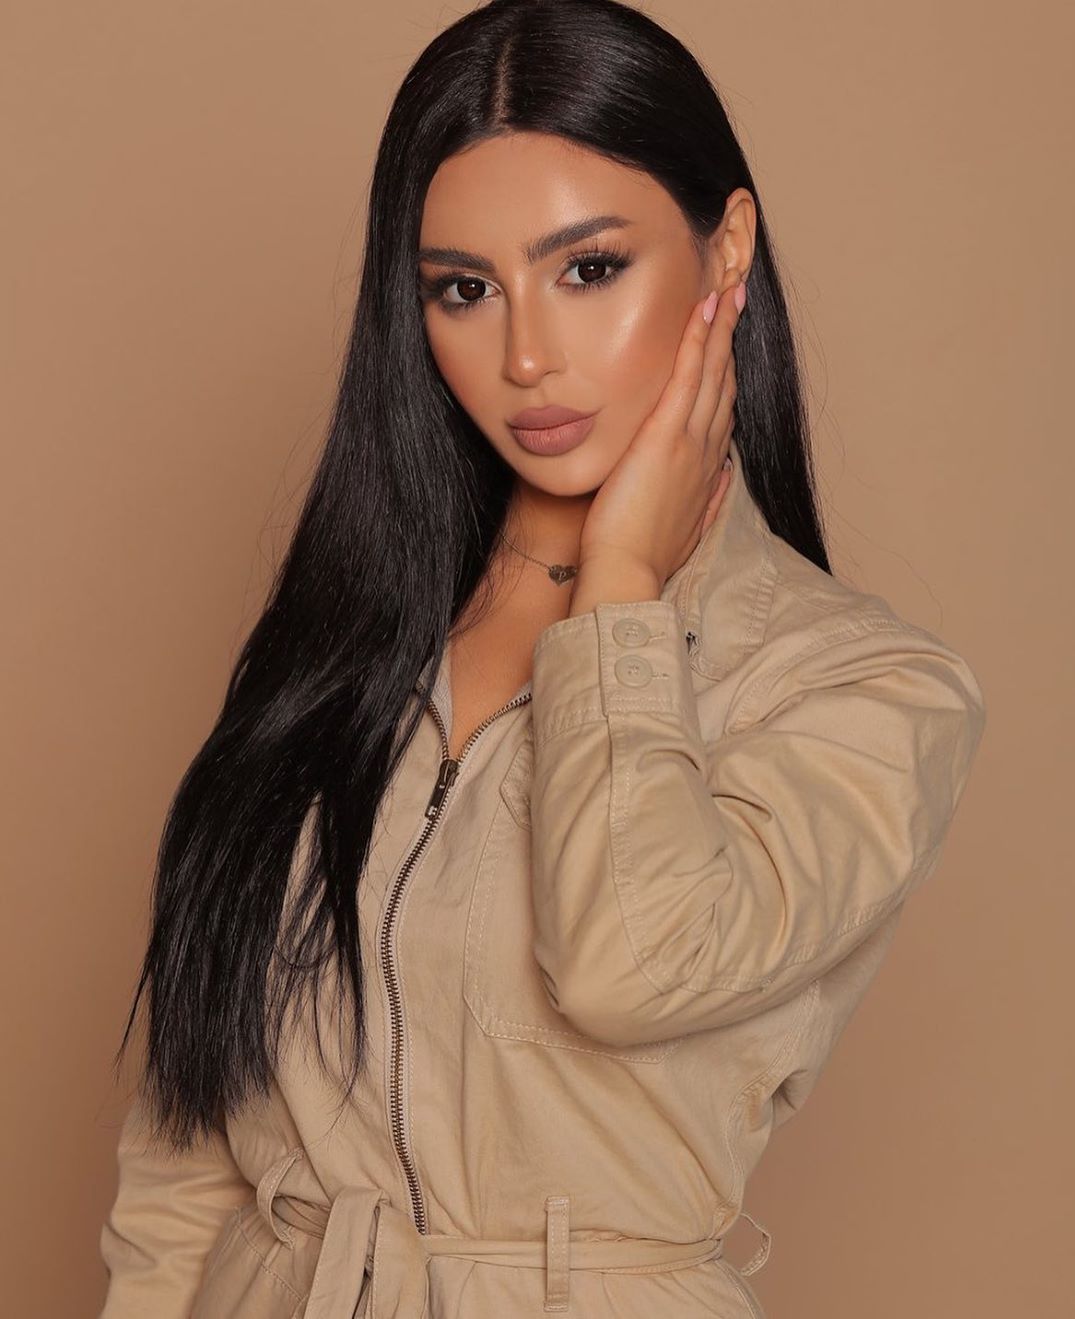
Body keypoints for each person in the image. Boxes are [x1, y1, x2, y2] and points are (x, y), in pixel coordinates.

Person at [97, 2, 987, 1316]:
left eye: (589, 270)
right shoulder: (346, 642)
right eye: (464, 290)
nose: (525, 356)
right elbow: (190, 1143)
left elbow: (638, 965)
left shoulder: (860, 688)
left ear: (727, 247)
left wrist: (619, 597)